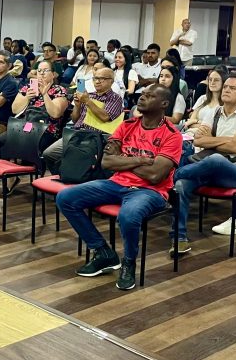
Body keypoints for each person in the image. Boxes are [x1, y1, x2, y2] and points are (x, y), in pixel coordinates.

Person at [56, 84, 182, 291]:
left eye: (150, 96)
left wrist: (123, 160)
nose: (142, 98)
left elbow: (155, 175)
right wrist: (141, 160)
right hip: (116, 183)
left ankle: (129, 263)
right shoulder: (127, 125)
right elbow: (107, 162)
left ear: (164, 104)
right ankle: (103, 252)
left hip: (150, 191)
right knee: (65, 198)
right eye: (142, 94)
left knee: (128, 215)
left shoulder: (172, 135)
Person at [173, 73, 236, 249]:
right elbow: (198, 141)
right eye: (225, 87)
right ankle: (179, 238)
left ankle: (171, 176)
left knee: (216, 158)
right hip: (209, 171)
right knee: (181, 185)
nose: (226, 90)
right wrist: (227, 139)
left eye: (233, 88)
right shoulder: (215, 112)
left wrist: (213, 140)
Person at [42, 67, 123, 173]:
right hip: (76, 134)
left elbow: (105, 117)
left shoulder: (115, 98)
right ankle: (64, 176)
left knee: (79, 158)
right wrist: (77, 105)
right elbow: (75, 120)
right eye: (95, 78)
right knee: (49, 154)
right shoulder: (89, 95)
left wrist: (88, 101)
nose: (97, 81)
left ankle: (76, 177)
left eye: (102, 78)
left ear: (111, 81)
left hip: (95, 138)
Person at [0, 60, 67, 164]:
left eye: (45, 70)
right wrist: (27, 98)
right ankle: (4, 169)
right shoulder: (28, 88)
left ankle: (26, 170)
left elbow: (55, 113)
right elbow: (15, 110)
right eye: (39, 70)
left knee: (26, 150)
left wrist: (45, 94)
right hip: (24, 127)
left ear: (53, 74)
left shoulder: (59, 90)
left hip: (45, 130)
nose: (42, 73)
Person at [184, 66, 226, 133]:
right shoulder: (202, 98)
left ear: (224, 82)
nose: (212, 82)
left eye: (216, 80)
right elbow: (190, 123)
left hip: (208, 136)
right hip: (190, 133)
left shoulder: (226, 103)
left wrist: (196, 121)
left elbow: (216, 128)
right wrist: (197, 123)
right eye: (210, 79)